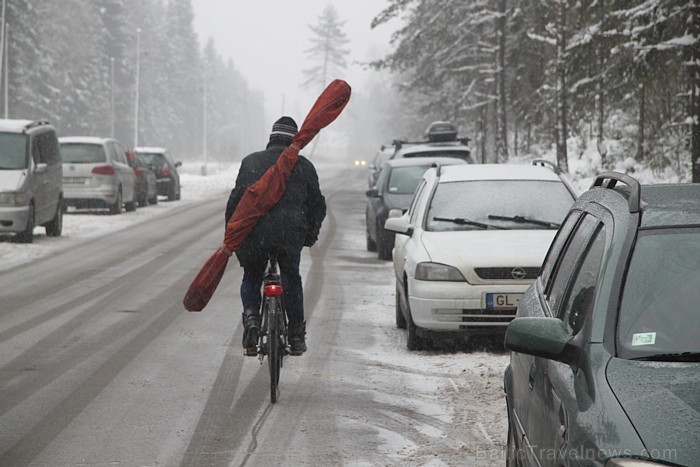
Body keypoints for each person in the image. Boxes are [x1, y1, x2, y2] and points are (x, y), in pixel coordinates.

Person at [225, 116, 326, 356]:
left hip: (254, 235)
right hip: (289, 236)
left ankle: (251, 318)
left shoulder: (250, 162)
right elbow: (317, 207)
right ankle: (296, 335)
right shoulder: (303, 166)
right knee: (291, 279)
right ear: (295, 139)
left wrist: (233, 236)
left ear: (271, 138)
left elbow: (235, 202)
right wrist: (309, 235)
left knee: (252, 275)